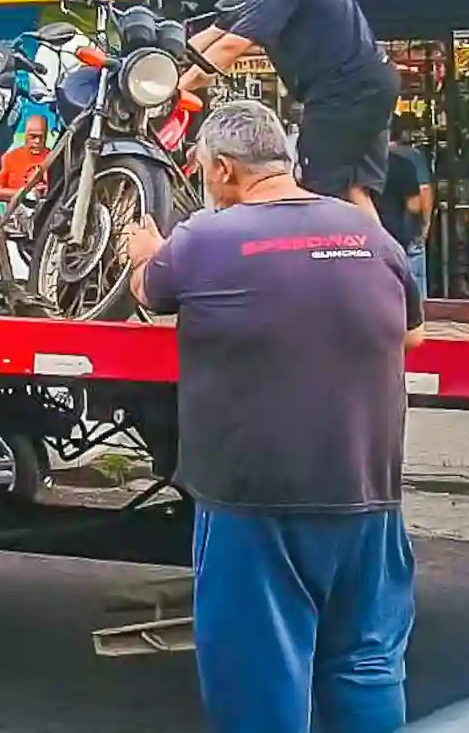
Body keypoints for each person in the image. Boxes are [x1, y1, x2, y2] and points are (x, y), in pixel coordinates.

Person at [123, 100, 424, 733]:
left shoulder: (203, 238)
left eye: (203, 169)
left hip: (255, 506)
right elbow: (412, 338)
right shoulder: (369, 233)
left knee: (260, 683)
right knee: (366, 666)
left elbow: (150, 296)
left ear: (225, 169)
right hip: (370, 496)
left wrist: (143, 252)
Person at [182, 0, 400, 223]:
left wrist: (173, 90)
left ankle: (322, 268)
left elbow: (229, 48)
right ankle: (385, 268)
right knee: (353, 191)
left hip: (345, 92)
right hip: (369, 85)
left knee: (314, 191)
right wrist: (164, 60)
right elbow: (209, 37)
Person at [378, 115, 434, 297]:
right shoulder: (411, 157)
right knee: (415, 291)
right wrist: (425, 226)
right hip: (405, 234)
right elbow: (420, 199)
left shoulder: (366, 161)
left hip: (377, 236)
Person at [0, 115, 50, 201]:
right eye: (33, 136)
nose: (37, 141)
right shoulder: (10, 158)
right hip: (16, 211)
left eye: (41, 137)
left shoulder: (53, 158)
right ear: (26, 135)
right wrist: (25, 194)